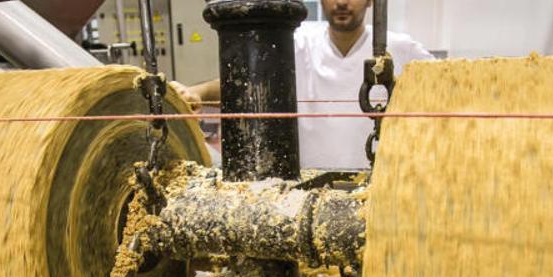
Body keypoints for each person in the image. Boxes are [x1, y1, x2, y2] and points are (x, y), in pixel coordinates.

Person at [176, 0, 434, 169]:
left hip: (376, 183)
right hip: (308, 187)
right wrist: (195, 92)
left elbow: (449, 88)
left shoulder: (401, 49)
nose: (342, 2)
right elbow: (243, 85)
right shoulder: (297, 43)